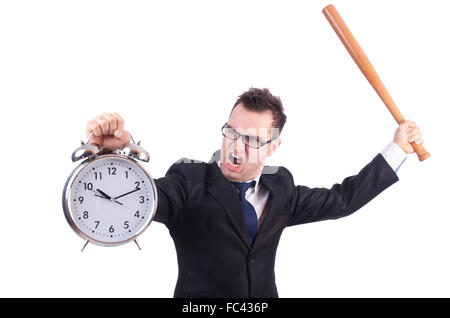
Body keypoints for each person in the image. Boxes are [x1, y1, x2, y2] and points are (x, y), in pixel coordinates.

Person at [85, 88, 424, 297]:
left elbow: (342, 200)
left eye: (251, 140)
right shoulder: (188, 181)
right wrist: (116, 154)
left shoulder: (281, 188)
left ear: (273, 147)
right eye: (232, 132)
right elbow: (140, 199)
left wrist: (396, 149)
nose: (235, 147)